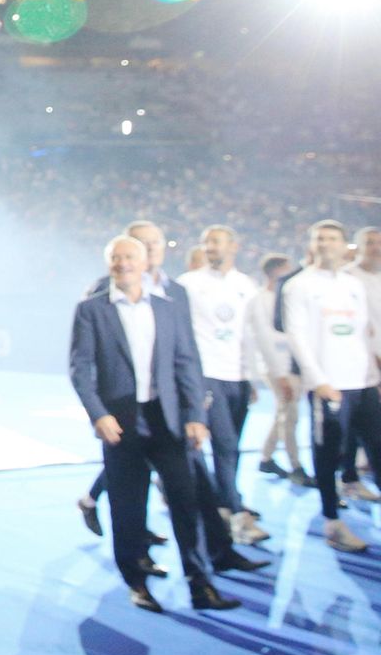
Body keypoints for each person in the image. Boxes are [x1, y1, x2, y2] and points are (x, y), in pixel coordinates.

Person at [69, 235, 238, 614]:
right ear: (109, 263)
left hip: (169, 422)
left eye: (130, 257)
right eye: (116, 258)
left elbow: (187, 363)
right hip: (121, 422)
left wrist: (195, 415)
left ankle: (199, 582)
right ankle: (137, 581)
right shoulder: (91, 310)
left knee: (186, 502)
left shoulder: (168, 307)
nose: (123, 263)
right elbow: (81, 369)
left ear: (145, 263)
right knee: (128, 508)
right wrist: (99, 413)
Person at [283, 220, 381, 552]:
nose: (326, 243)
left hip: (364, 382)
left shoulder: (353, 285)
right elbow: (296, 336)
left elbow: (365, 332)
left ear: (343, 246)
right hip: (329, 384)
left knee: (377, 449)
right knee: (328, 454)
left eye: (332, 238)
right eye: (319, 238)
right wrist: (318, 380)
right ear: (311, 244)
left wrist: (375, 372)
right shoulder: (299, 286)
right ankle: (333, 523)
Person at [177, 225, 270, 544]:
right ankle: (234, 513)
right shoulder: (188, 284)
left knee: (232, 447)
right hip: (207, 375)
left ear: (234, 245)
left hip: (239, 377)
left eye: (216, 242)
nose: (210, 247)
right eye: (206, 242)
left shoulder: (246, 285)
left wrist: (253, 377)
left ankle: (222, 505)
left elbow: (251, 335)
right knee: (225, 445)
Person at [248, 254, 308, 485]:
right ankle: (296, 466)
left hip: (292, 364)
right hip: (277, 366)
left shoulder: (288, 296)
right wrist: (280, 373)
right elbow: (265, 338)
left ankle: (266, 457)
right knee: (289, 415)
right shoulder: (261, 299)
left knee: (284, 413)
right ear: (275, 272)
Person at [338, 227, 381, 503]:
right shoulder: (347, 278)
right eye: (369, 242)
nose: (375, 247)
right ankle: (349, 478)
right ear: (358, 245)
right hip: (359, 364)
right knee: (355, 427)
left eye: (378, 242)